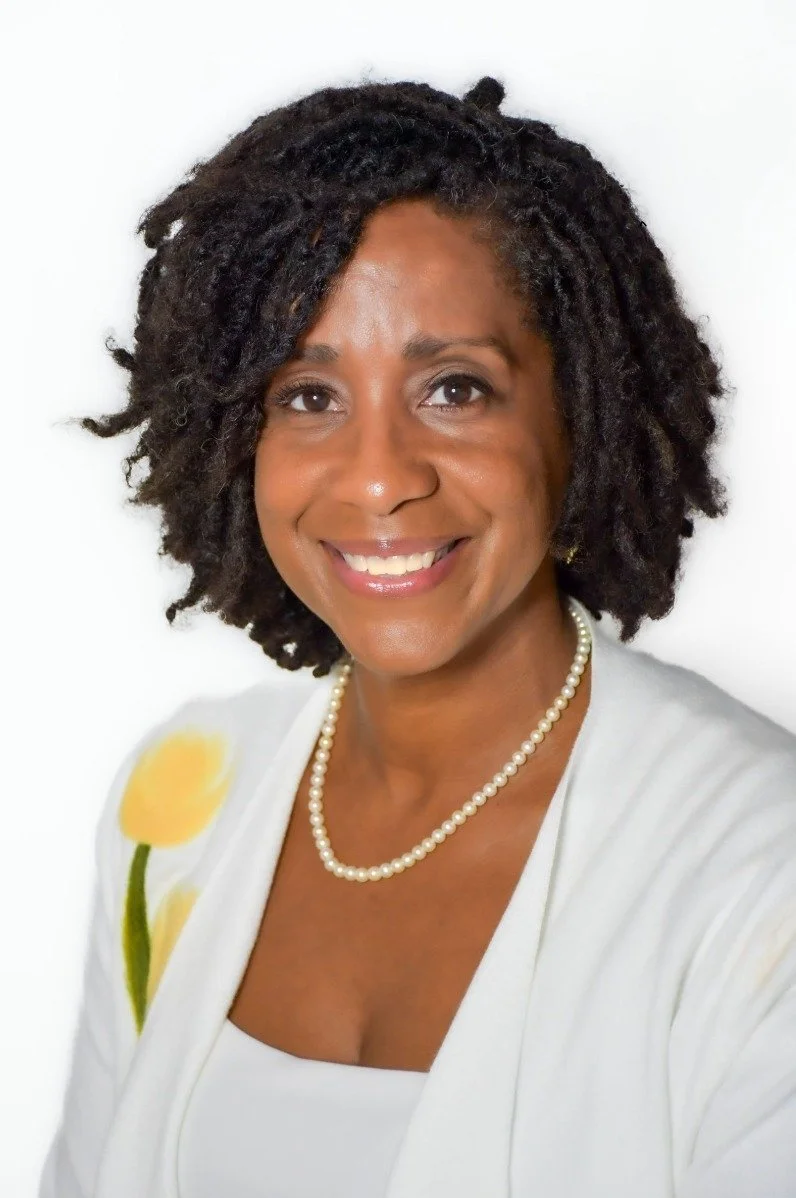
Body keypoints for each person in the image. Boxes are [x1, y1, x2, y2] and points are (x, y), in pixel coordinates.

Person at [40, 75, 796, 1198]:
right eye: (307, 396)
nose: (382, 475)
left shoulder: (755, 869)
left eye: (454, 387)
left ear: (577, 409)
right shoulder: (179, 806)